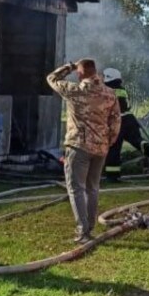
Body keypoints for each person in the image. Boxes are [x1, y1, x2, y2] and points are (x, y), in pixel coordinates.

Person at [47, 58, 121, 243]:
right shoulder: (110, 93)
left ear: (80, 73)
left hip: (78, 146)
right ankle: (89, 227)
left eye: (77, 71)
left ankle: (83, 231)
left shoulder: (74, 90)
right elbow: (116, 121)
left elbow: (51, 79)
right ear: (95, 71)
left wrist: (68, 67)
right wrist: (108, 141)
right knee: (93, 188)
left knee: (76, 189)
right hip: (101, 148)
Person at [102, 68, 149, 182]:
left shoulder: (107, 90)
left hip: (117, 122)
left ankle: (112, 176)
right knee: (137, 140)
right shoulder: (122, 90)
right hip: (129, 119)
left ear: (108, 78)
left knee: (113, 148)